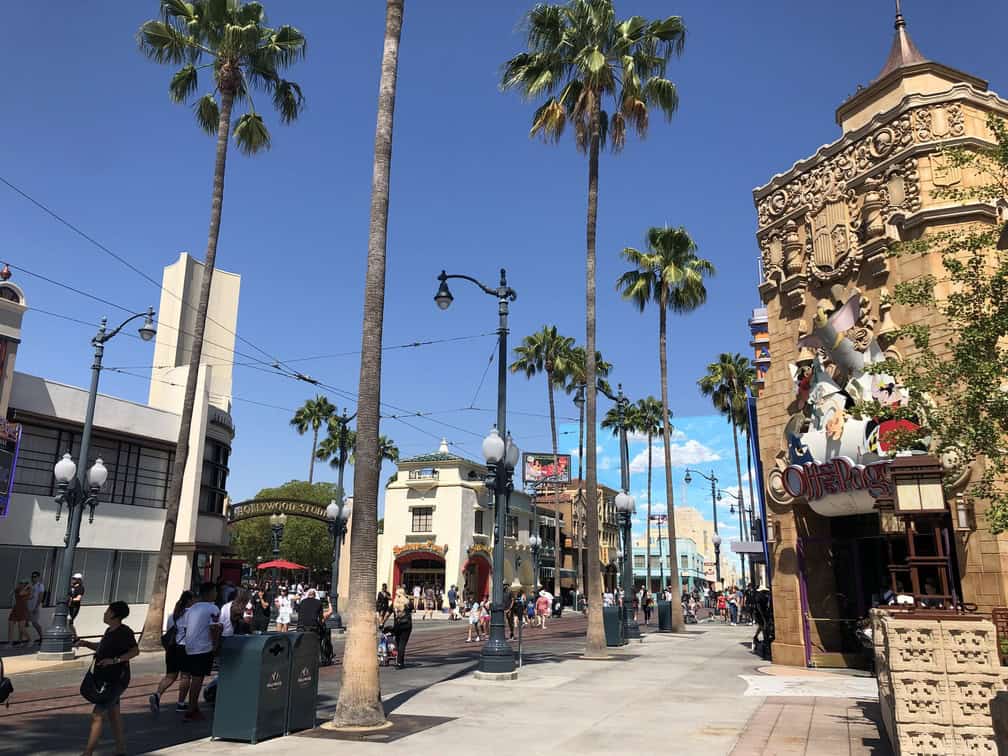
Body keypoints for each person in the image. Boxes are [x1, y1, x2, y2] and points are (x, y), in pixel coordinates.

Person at [76, 601, 139, 756]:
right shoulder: (109, 630)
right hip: (104, 679)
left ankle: (88, 753)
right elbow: (102, 647)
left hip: (115, 680)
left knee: (97, 714)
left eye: (107, 611)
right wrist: (85, 643)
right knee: (113, 714)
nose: (104, 613)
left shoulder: (125, 632)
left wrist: (115, 660)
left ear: (114, 614)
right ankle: (121, 750)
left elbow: (135, 651)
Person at [177, 582, 220, 721]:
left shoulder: (192, 609)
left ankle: (192, 707)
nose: (216, 594)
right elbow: (214, 628)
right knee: (197, 678)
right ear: (209, 593)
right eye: (215, 591)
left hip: (189, 647)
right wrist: (215, 645)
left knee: (193, 676)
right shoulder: (212, 608)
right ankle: (191, 709)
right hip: (203, 647)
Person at [149, 590, 194, 714]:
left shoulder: (173, 615)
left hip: (172, 648)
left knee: (170, 676)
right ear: (190, 600)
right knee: (185, 676)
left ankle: (157, 695)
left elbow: (169, 631)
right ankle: (180, 703)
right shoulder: (190, 614)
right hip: (184, 648)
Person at [391, 587, 412, 669]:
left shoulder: (394, 604)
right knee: (402, 644)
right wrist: (404, 598)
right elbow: (412, 608)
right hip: (406, 625)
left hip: (397, 626)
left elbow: (388, 612)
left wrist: (382, 622)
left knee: (398, 643)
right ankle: (400, 662)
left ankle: (399, 661)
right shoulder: (407, 603)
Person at [6, 580, 30, 645]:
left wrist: (26, 586)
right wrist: (15, 588)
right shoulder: (18, 589)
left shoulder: (27, 591)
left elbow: (21, 593)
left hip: (23, 610)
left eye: (23, 583)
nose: (21, 584)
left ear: (25, 584)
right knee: (10, 625)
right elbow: (9, 594)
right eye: (20, 583)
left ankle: (29, 640)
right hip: (15, 609)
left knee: (21, 628)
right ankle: (10, 643)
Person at [27, 571, 45, 644]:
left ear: (38, 577)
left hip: (34, 607)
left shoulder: (40, 585)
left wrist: (36, 607)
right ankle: (25, 639)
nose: (33, 578)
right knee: (25, 623)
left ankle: (42, 638)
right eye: (32, 576)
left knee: (34, 623)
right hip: (28, 606)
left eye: (35, 577)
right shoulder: (30, 585)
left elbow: (40, 597)